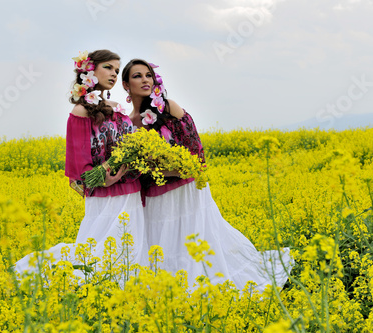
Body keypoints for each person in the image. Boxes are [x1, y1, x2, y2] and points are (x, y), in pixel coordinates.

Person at [121, 59, 292, 291]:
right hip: (156, 196)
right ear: (125, 85)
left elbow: (195, 149)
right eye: (137, 76)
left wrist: (170, 170)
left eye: (148, 75)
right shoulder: (127, 124)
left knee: (199, 242)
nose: (145, 80)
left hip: (186, 190)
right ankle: (173, 291)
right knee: (166, 245)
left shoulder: (168, 107)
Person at [15, 50, 148, 280]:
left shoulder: (117, 108)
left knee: (130, 254)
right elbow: (79, 171)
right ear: (90, 70)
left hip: (132, 193)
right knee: (97, 255)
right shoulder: (80, 112)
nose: (114, 74)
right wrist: (107, 178)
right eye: (108, 67)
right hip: (105, 197)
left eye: (117, 70)